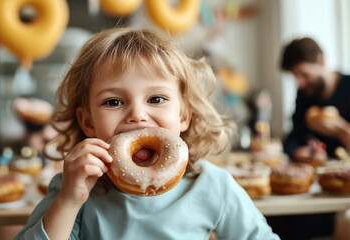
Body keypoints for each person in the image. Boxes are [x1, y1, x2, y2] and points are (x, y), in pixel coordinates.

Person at [15, 28, 278, 239]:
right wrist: (69, 202)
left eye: (156, 98)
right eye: (113, 102)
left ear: (183, 115)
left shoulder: (211, 185)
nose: (137, 115)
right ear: (88, 123)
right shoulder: (74, 187)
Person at [280, 37, 350, 158]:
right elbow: (293, 138)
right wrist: (298, 152)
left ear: (321, 62)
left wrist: (342, 131)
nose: (300, 83)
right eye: (296, 77)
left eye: (304, 74)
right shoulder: (304, 95)